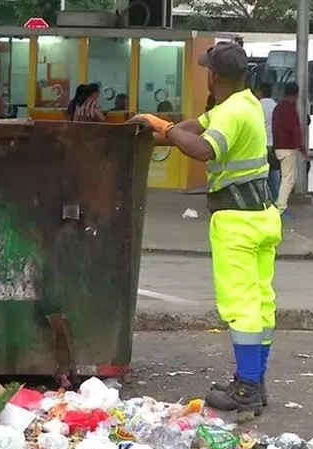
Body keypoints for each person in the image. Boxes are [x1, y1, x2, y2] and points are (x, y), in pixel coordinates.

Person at [129, 42, 281, 416]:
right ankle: (255, 381)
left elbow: (203, 150)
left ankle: (246, 388)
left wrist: (161, 125)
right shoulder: (244, 104)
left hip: (237, 221)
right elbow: (191, 130)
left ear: (213, 76)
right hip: (262, 216)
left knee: (241, 306)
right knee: (261, 304)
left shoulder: (230, 114)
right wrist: (157, 129)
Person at [273, 82, 309, 216]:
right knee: (288, 179)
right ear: (296, 94)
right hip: (288, 148)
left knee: (289, 177)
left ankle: (280, 204)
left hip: (278, 146)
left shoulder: (278, 108)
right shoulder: (290, 110)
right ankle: (280, 208)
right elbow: (295, 131)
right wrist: (303, 150)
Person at [255, 83, 280, 199]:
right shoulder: (276, 106)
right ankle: (277, 202)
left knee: (260, 177)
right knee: (274, 175)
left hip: (259, 146)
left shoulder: (256, 106)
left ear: (260, 92)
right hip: (273, 145)